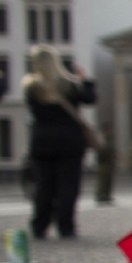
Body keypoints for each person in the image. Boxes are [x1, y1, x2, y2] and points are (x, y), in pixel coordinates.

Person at [22, 44, 96, 240]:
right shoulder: (69, 84)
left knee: (44, 185)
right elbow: (90, 98)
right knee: (68, 186)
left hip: (43, 141)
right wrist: (85, 80)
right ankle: (66, 225)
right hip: (69, 141)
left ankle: (40, 225)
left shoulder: (32, 87)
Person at [93, 126, 116, 204]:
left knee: (108, 180)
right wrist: (110, 155)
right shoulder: (102, 140)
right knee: (102, 180)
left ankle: (107, 195)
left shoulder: (110, 140)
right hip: (103, 163)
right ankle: (100, 195)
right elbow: (101, 151)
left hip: (109, 163)